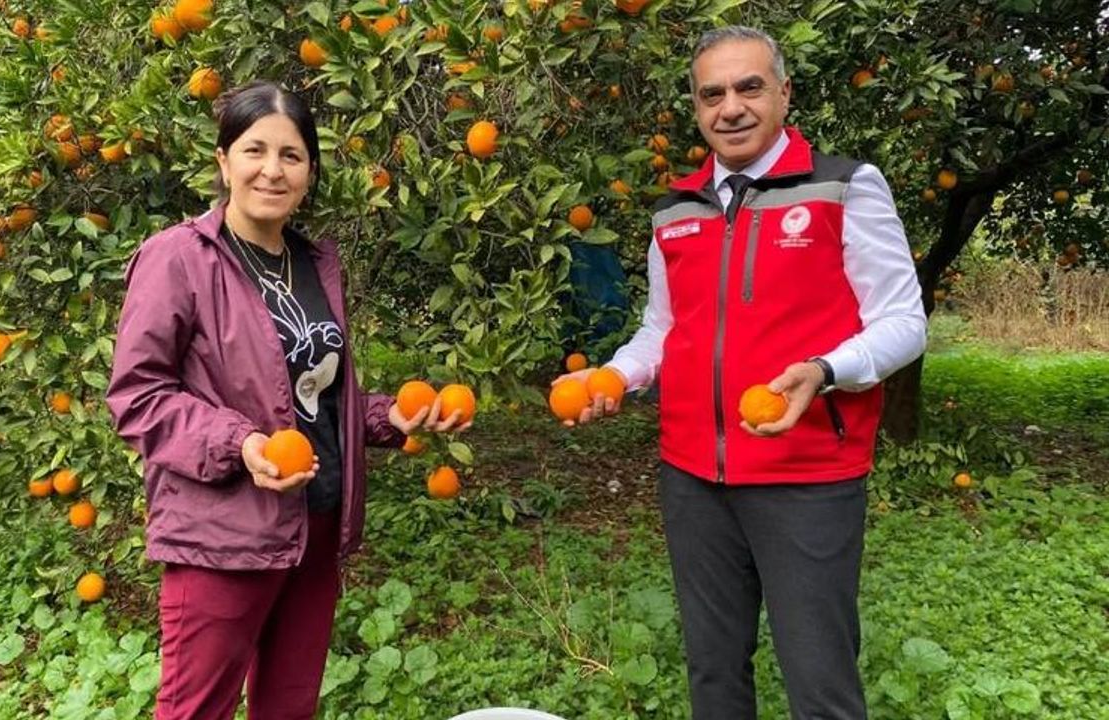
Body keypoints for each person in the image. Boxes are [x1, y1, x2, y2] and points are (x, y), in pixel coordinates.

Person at [556, 26, 927, 720]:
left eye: (749, 87)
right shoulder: (676, 208)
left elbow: (904, 322)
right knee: (715, 672)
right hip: (693, 478)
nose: (731, 107)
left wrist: (824, 369)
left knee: (820, 680)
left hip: (806, 474)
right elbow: (661, 330)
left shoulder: (843, 187)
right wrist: (611, 377)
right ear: (696, 109)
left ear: (784, 93)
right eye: (712, 94)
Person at [106, 80, 467, 720]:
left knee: (289, 706)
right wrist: (239, 444)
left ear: (310, 172)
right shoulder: (178, 260)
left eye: (291, 155)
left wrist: (389, 417)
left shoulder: (313, 263)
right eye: (254, 150)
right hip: (221, 535)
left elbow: (315, 397)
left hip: (315, 522)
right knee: (197, 710)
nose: (272, 170)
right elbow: (138, 396)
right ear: (223, 161)